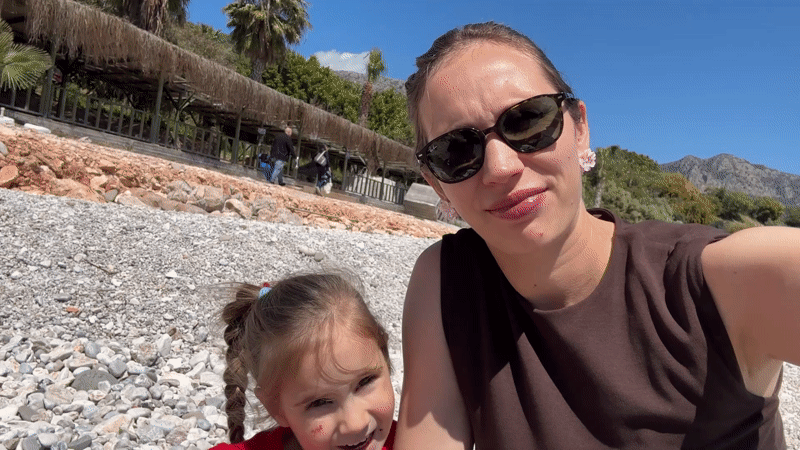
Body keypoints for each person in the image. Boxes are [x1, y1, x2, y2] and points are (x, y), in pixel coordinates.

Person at [396, 22, 799, 449]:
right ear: (437, 183)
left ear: (580, 127)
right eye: (456, 151)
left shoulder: (713, 281)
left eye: (528, 120)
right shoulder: (446, 281)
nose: (501, 168)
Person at [212, 272, 397, 450]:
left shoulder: (415, 439)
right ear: (275, 407)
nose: (355, 423)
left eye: (365, 382)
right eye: (320, 402)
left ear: (386, 361)